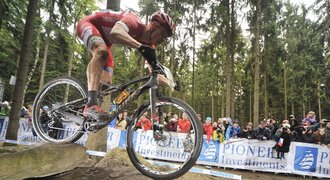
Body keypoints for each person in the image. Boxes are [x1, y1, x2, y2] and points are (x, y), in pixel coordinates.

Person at [76, 10, 175, 122]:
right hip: (89, 24)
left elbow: (153, 70)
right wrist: (140, 46)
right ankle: (90, 104)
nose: (163, 40)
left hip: (106, 41)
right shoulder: (134, 21)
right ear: (154, 26)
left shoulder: (150, 45)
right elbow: (115, 32)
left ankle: (86, 109)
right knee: (101, 52)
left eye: (166, 39)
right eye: (163, 34)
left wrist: (167, 80)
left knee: (105, 84)